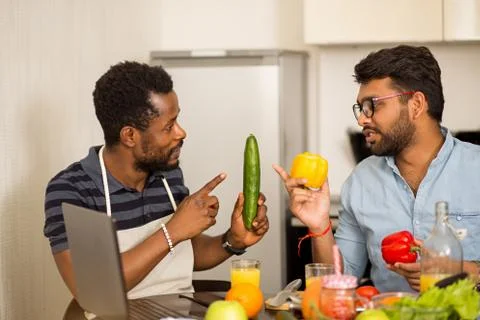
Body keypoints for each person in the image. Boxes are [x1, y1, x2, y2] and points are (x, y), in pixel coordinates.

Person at [43, 61, 269, 299]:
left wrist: (232, 240)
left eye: (177, 120)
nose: (181, 133)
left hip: (180, 313)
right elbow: (94, 289)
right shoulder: (71, 191)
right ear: (130, 135)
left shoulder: (167, 174)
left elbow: (184, 254)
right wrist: (172, 230)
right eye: (169, 126)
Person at [274, 45, 480, 292]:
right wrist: (319, 227)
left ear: (416, 104)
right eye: (361, 108)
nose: (362, 118)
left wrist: (469, 272)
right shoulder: (362, 180)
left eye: (373, 105)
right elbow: (338, 285)